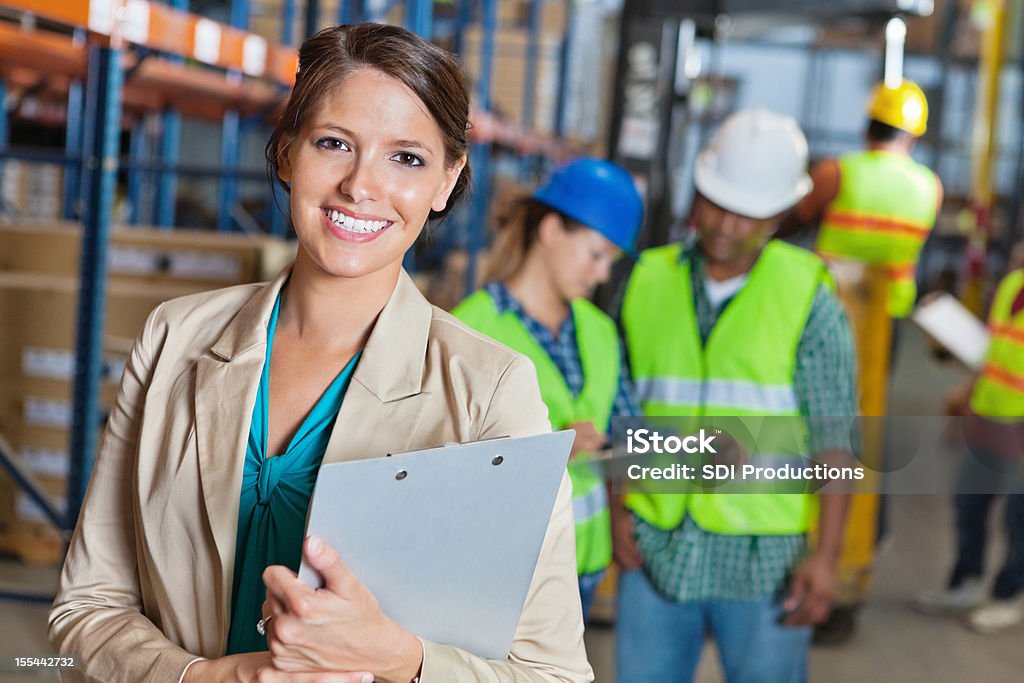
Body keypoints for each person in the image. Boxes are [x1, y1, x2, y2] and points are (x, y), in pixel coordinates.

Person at [48, 24, 592, 683]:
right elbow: (83, 612)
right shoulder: (175, 340)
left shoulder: (490, 390)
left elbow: (552, 673)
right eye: (334, 143)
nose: (361, 186)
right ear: (285, 152)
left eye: (407, 159)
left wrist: (399, 657)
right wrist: (207, 676)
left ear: (447, 182)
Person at [612, 108, 857, 682]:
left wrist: (827, 558)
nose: (726, 225)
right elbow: (623, 407)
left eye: (748, 215)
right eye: (716, 203)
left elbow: (836, 437)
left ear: (778, 215)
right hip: (657, 542)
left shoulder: (807, 296)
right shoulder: (646, 278)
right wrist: (622, 509)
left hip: (764, 555)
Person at [452, 158, 644, 619]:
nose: (602, 275)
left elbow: (626, 430)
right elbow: (444, 464)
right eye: (596, 255)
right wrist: (551, 447)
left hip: (583, 565)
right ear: (553, 230)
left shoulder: (600, 331)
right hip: (503, 571)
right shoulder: (471, 330)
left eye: (610, 263)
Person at [916, 261, 1024, 633]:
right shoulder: (1011, 285)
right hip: (989, 411)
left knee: (1018, 516)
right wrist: (967, 391)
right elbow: (994, 351)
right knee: (969, 501)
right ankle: (966, 582)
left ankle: (1009, 595)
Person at [789, 79, 944, 320]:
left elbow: (795, 222)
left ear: (868, 127)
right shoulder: (931, 187)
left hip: (827, 301)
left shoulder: (836, 172)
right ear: (912, 137)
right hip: (890, 309)